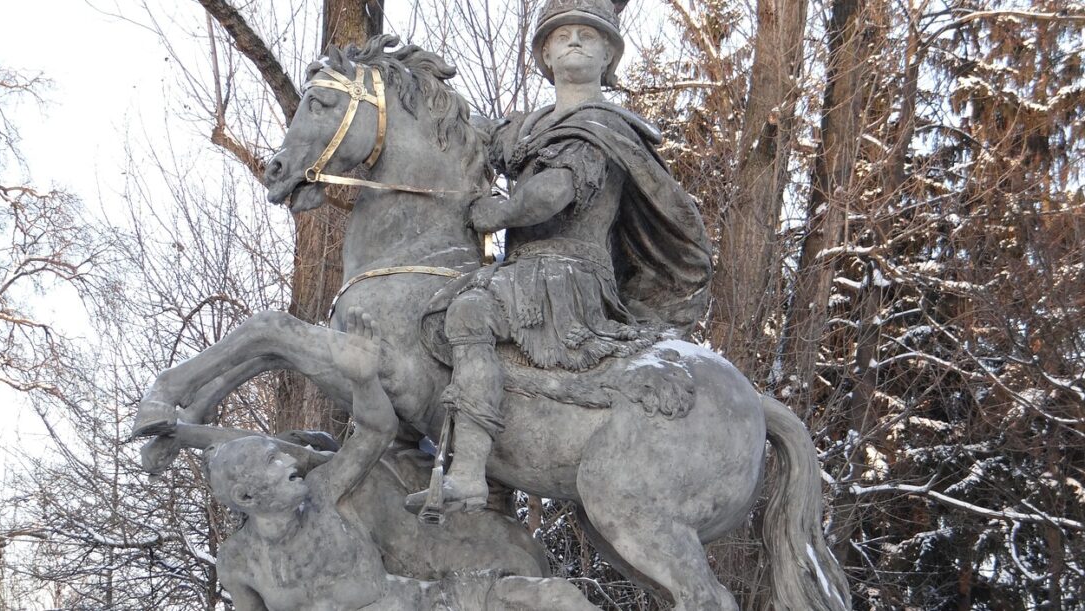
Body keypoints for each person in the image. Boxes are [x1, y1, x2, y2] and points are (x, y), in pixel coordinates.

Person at [408, 0, 713, 513]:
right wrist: (418, 87)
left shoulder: (604, 126)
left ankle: (469, 475)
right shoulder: (526, 129)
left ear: (608, 57)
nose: (575, 41)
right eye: (563, 34)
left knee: (468, 310)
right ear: (546, 53)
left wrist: (498, 214)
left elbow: (555, 192)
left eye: (589, 36)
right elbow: (470, 130)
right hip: (521, 275)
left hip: (571, 279)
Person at [207, 311, 597, 610]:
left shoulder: (324, 491)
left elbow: (376, 433)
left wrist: (363, 380)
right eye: (273, 462)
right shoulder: (238, 562)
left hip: (433, 602)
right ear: (246, 496)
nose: (290, 465)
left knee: (556, 598)